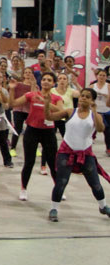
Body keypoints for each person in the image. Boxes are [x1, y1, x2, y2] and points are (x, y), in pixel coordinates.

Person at [47, 87, 110, 222]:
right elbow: (49, 117)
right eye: (82, 96)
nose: (83, 98)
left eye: (87, 97)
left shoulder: (95, 115)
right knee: (61, 182)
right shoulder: (70, 112)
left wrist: (94, 110)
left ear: (92, 100)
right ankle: (54, 208)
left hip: (85, 154)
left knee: (95, 183)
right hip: (66, 152)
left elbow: (100, 129)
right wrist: (46, 104)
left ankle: (103, 206)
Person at [10, 71, 63, 201]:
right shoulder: (31, 95)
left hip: (48, 132)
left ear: (53, 83)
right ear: (41, 81)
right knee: (29, 162)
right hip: (32, 131)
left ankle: (58, 189)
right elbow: (13, 103)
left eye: (49, 80)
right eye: (44, 79)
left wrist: (46, 102)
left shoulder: (57, 98)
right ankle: (23, 189)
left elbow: (61, 112)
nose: (46, 81)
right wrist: (12, 90)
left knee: (52, 163)